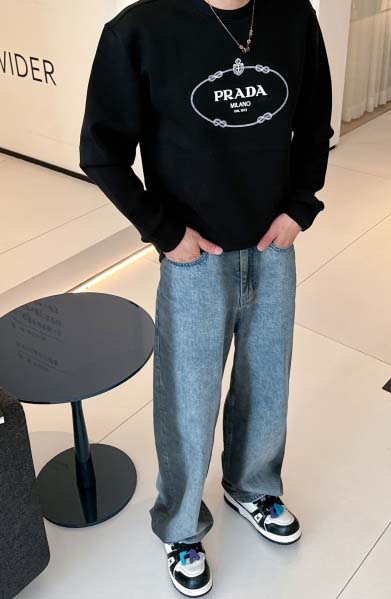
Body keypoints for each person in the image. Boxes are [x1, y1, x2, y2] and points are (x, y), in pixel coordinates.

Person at [79, 0, 334, 595]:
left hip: (272, 244)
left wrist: (301, 207)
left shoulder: (294, 16)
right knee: (188, 397)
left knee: (266, 378)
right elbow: (101, 152)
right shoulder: (139, 29)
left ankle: (253, 487)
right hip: (193, 255)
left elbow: (314, 121)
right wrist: (165, 234)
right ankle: (180, 523)